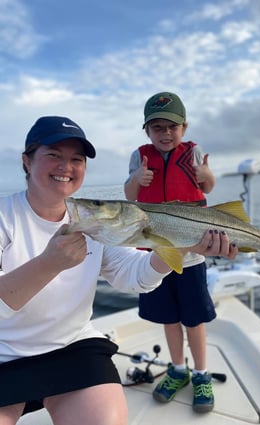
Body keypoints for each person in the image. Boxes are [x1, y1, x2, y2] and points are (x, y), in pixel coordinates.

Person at [0, 115, 238, 425]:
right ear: (27, 162)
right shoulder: (5, 217)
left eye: (77, 159)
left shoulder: (93, 221)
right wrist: (47, 265)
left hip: (73, 345)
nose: (66, 167)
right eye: (53, 155)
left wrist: (179, 248)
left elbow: (134, 275)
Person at [124, 91, 220, 414]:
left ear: (184, 127)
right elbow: (130, 194)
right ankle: (178, 369)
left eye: (172, 127)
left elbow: (207, 186)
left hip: (191, 253)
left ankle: (202, 373)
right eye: (157, 128)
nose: (165, 134)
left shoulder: (194, 153)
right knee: (168, 317)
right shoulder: (140, 157)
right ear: (147, 131)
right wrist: (137, 180)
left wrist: (208, 178)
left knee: (194, 319)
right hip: (156, 254)